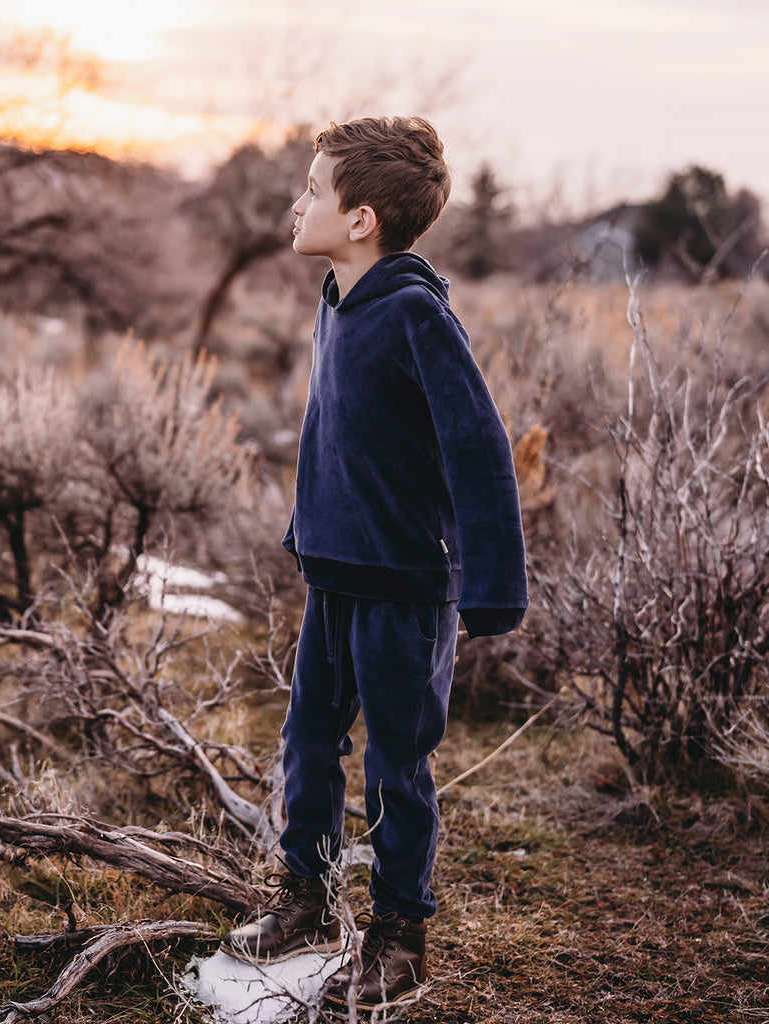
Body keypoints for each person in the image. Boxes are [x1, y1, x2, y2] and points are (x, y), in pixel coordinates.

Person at [220, 116, 529, 1010]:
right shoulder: (337, 299)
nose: (297, 201)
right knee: (308, 743)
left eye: (313, 189)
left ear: (360, 218)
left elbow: (479, 447)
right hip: (335, 570)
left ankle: (399, 937)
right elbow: (341, 440)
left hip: (404, 587)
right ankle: (308, 900)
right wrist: (308, 529)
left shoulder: (415, 315)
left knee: (398, 764)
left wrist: (493, 587)